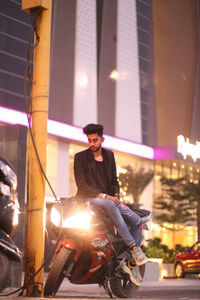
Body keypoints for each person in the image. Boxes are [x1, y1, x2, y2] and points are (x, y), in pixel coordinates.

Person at [73, 123, 148, 286]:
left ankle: (131, 264)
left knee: (136, 221)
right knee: (109, 204)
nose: (92, 144)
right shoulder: (80, 157)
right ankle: (134, 247)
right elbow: (82, 186)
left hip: (110, 200)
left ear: (102, 139)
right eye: (89, 140)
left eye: (95, 140)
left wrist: (116, 195)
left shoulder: (109, 156)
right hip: (90, 199)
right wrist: (105, 196)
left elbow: (114, 180)